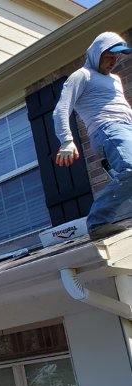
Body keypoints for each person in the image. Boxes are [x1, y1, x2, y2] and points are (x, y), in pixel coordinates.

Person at [53, 32, 132, 240]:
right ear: (97, 53)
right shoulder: (82, 75)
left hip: (126, 128)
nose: (114, 61)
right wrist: (67, 140)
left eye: (117, 57)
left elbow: (122, 108)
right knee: (131, 170)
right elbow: (61, 109)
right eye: (109, 56)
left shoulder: (115, 79)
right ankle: (98, 222)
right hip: (107, 128)